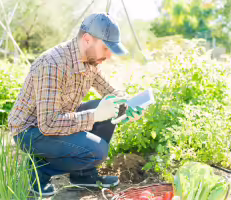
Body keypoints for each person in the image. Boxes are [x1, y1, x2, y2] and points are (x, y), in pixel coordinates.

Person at [8, 12, 145, 196]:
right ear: (87, 39)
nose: (109, 56)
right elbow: (48, 123)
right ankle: (38, 171)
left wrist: (127, 105)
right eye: (106, 48)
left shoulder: (90, 62)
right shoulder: (53, 64)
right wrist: (95, 116)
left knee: (106, 105)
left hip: (57, 121)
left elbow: (111, 92)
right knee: (97, 151)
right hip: (31, 131)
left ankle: (83, 175)